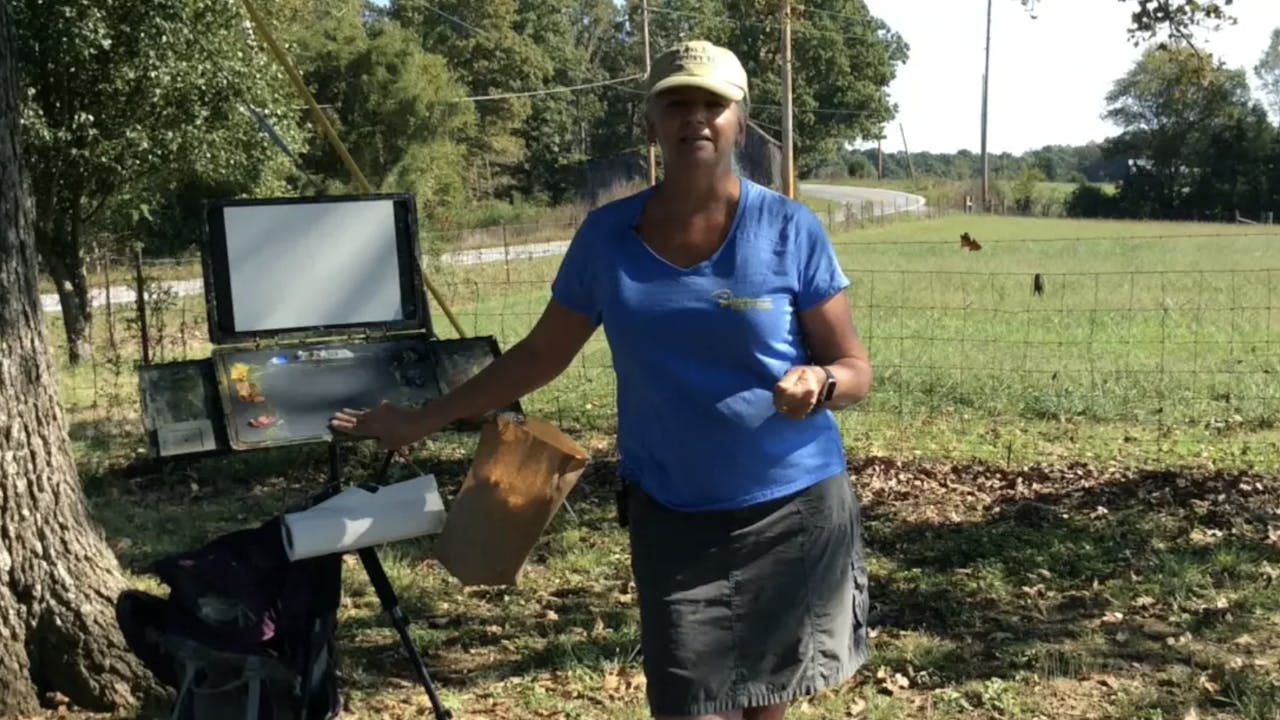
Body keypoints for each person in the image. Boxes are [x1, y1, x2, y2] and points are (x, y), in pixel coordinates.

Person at [329, 39, 873, 720]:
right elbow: (538, 357)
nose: (696, 117)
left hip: (790, 506)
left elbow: (856, 370)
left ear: (740, 121)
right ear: (651, 121)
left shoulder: (790, 228)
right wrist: (422, 418)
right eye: (678, 101)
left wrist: (819, 381)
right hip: (672, 514)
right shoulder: (607, 237)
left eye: (713, 104)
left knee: (766, 704)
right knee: (689, 704)